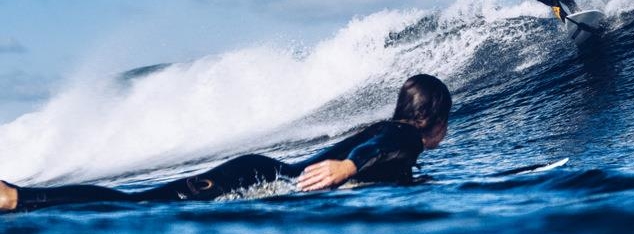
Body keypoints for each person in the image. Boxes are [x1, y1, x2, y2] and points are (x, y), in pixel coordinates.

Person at [0, 74, 452, 212]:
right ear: (431, 119)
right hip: (257, 177)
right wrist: (348, 169)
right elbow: (389, 147)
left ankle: (17, 196)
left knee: (135, 201)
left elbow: (387, 154)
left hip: (253, 171)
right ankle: (17, 197)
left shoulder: (386, 132)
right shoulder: (403, 136)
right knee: (133, 206)